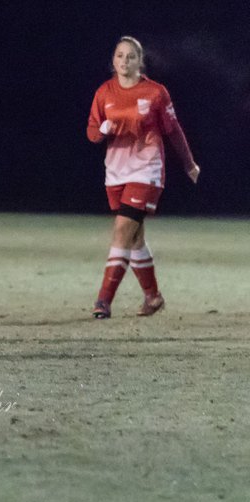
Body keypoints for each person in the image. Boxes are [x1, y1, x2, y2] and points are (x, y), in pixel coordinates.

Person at [86, 36, 199, 319]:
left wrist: (189, 164)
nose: (124, 61)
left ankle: (103, 301)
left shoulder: (155, 93)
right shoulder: (104, 92)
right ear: (113, 60)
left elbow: (173, 131)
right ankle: (153, 297)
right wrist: (102, 131)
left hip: (146, 170)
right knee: (135, 238)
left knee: (123, 229)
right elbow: (91, 132)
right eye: (120, 56)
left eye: (130, 57)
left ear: (140, 61)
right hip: (116, 171)